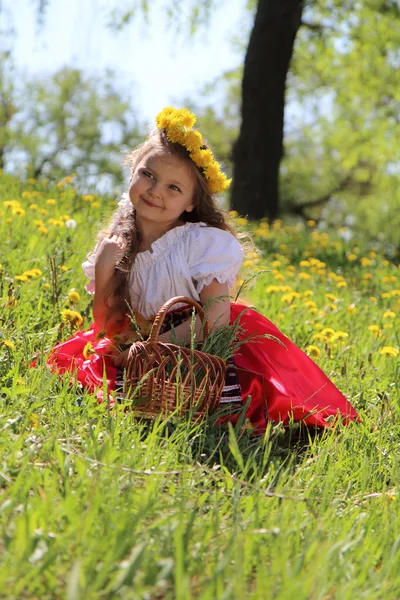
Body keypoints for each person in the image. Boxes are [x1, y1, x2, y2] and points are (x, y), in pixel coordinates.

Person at [48, 106, 359, 431]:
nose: (155, 191)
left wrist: (155, 348)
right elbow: (106, 324)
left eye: (174, 188)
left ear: (191, 203)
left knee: (228, 407)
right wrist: (102, 270)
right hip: (141, 346)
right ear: (132, 171)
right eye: (148, 175)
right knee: (84, 369)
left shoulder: (201, 245)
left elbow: (216, 320)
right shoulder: (118, 244)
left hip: (200, 342)